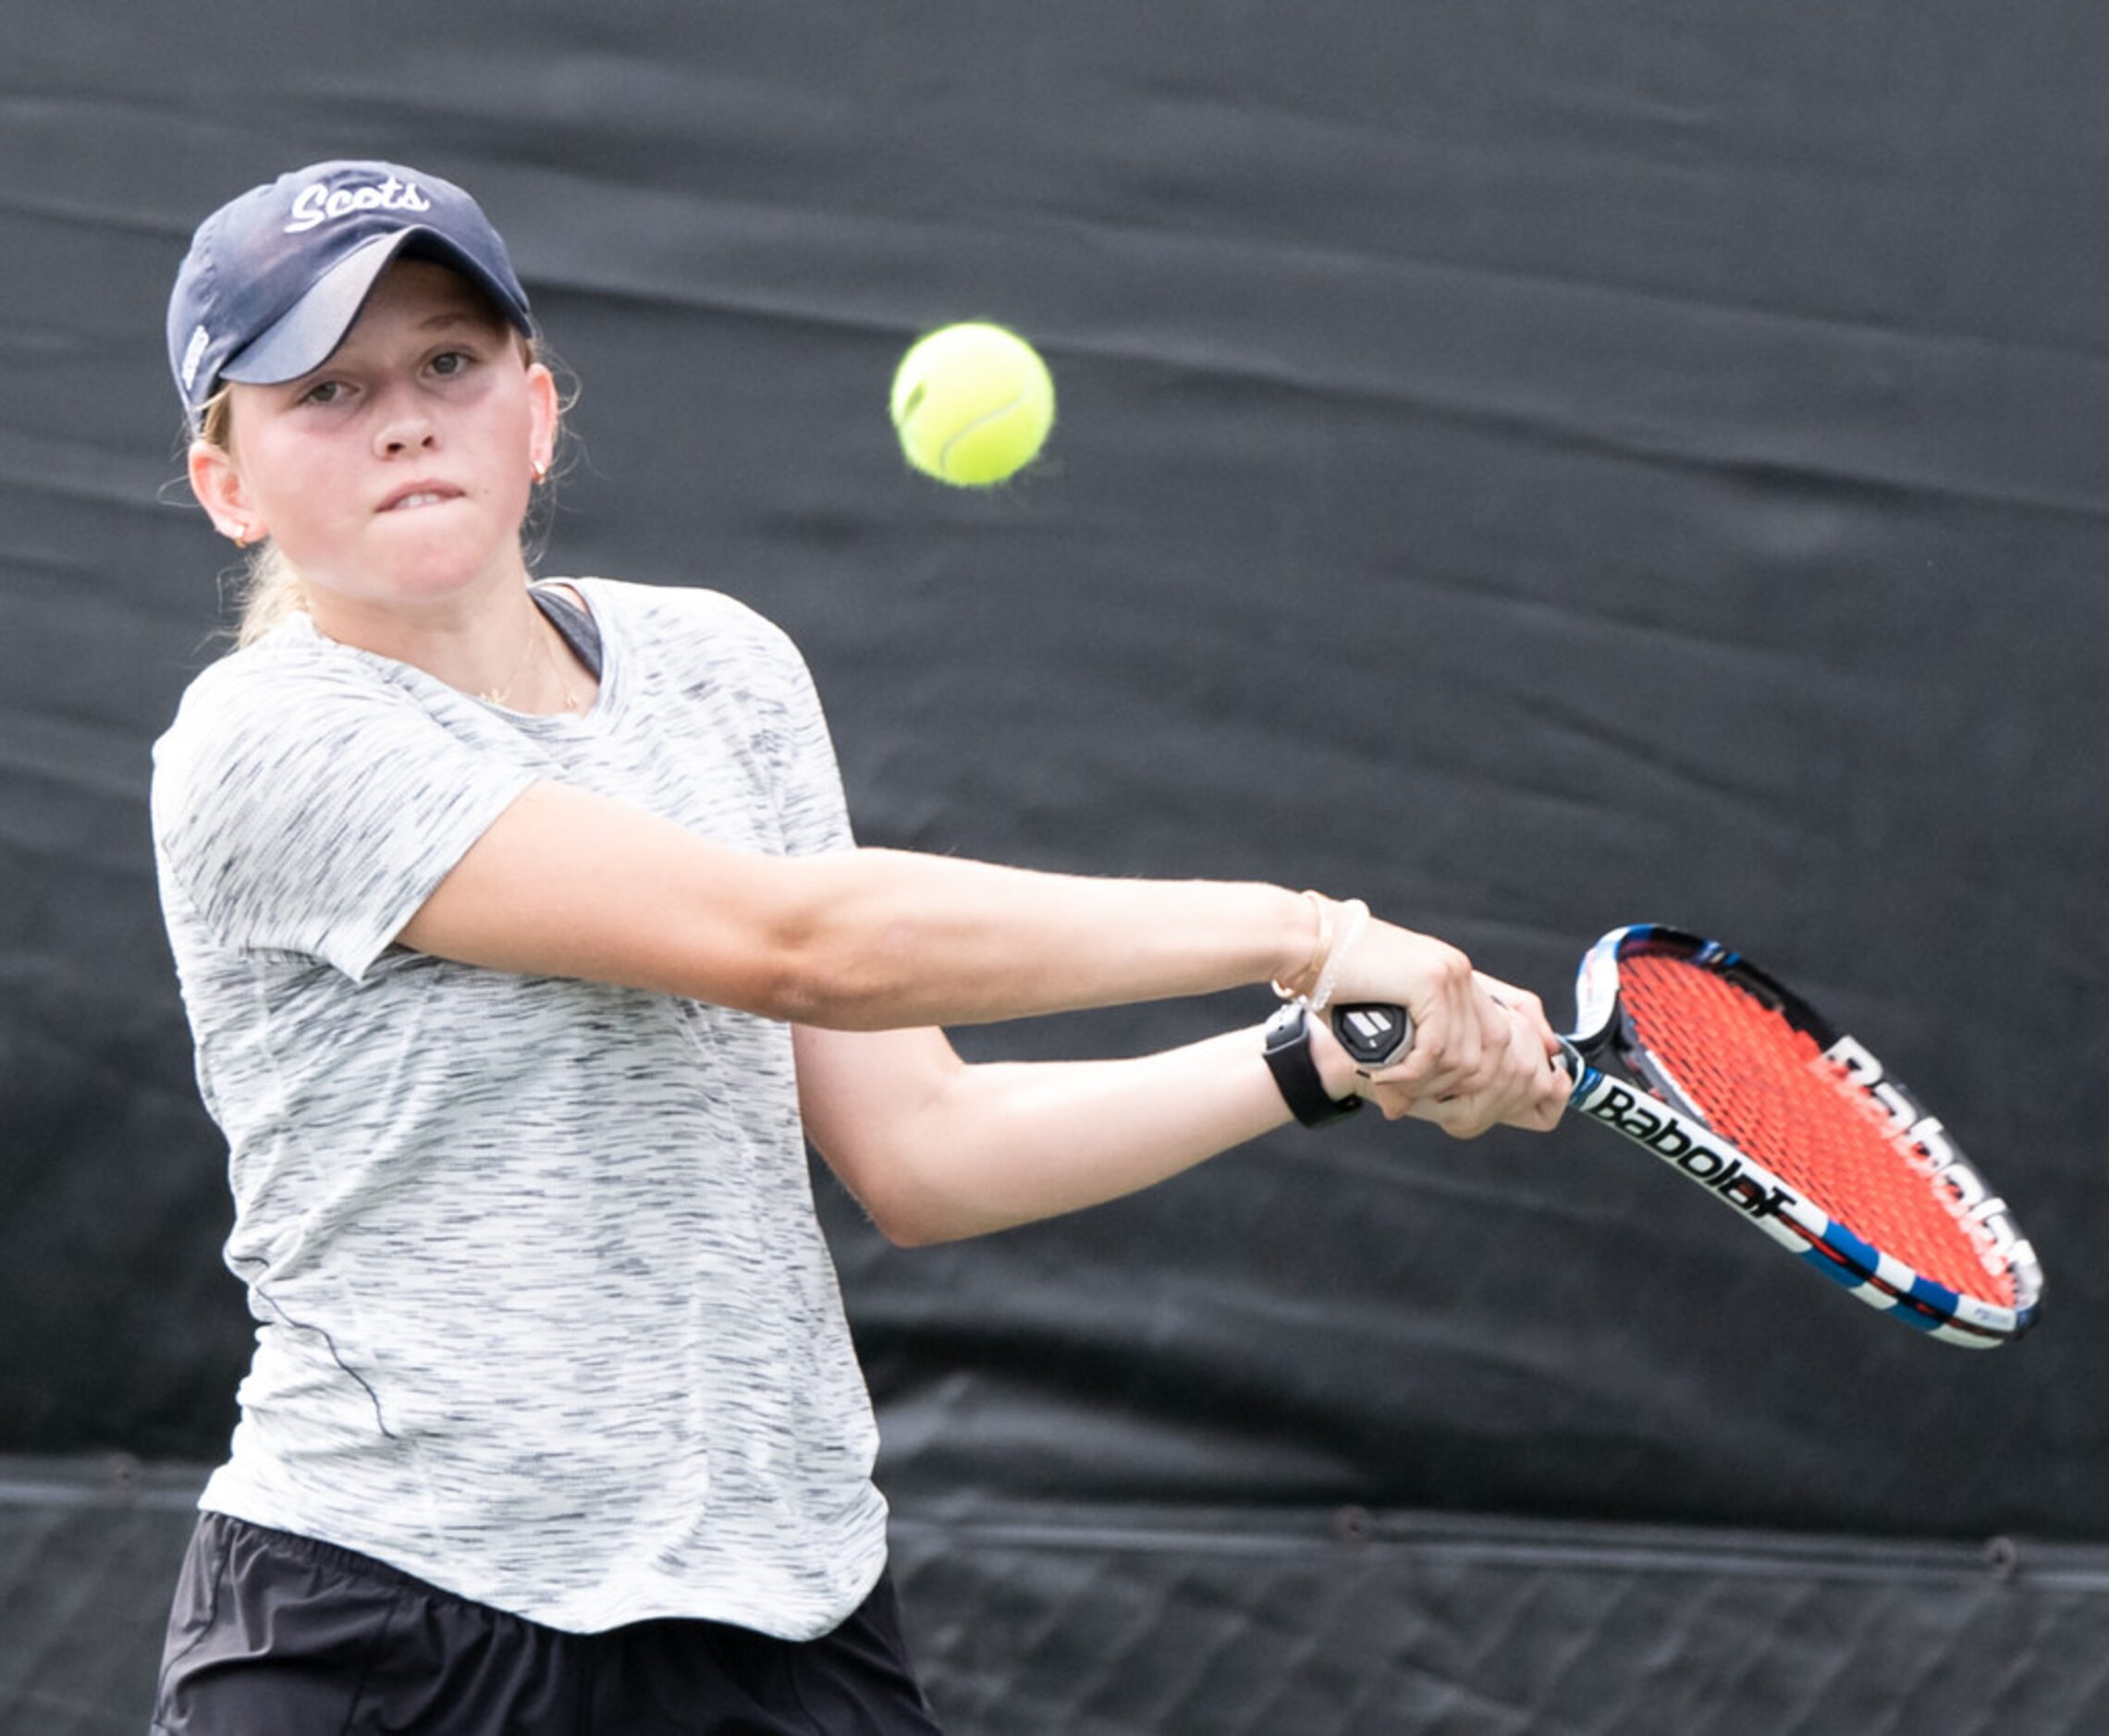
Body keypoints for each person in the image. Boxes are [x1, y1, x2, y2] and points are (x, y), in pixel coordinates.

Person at [146, 159, 1568, 1735]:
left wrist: (1319, 1055)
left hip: (786, 1616)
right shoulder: (265, 743)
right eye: (326, 387)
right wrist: (1306, 936)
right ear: (230, 485)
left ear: (537, 411)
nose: (404, 416)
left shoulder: (723, 671)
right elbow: (797, 946)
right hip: (387, 1627)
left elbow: (926, 1147)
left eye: (448, 363)